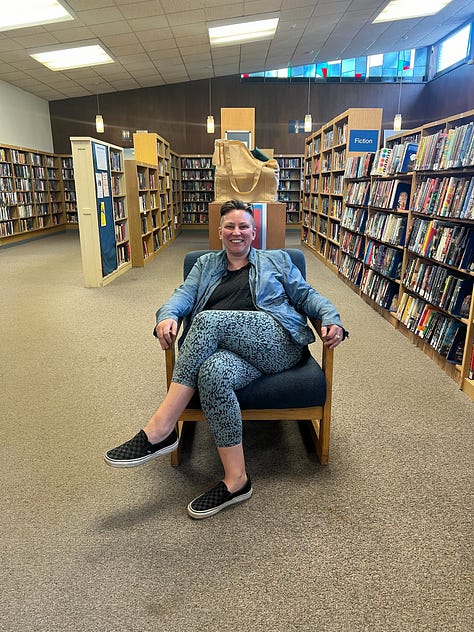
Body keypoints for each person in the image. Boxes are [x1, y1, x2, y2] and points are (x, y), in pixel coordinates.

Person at [105, 199, 347, 519]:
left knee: (208, 320)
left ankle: (161, 429)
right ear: (220, 232)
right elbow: (182, 296)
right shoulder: (205, 264)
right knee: (212, 373)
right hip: (230, 350)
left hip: (277, 343)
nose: (237, 232)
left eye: (243, 226)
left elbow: (307, 295)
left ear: (253, 231)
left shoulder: (277, 261)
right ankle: (237, 480)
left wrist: (332, 318)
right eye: (230, 227)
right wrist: (167, 316)